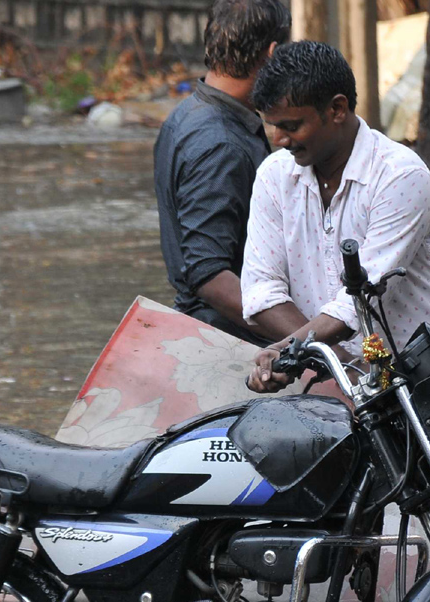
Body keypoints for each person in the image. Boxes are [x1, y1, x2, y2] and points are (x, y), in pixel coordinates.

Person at [242, 41, 430, 391]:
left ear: (337, 109)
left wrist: (290, 348)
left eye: (290, 126)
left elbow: (359, 300)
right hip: (342, 383)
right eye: (271, 126)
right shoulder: (275, 177)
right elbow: (261, 293)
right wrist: (324, 358)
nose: (278, 139)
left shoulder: (400, 176)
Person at [153, 0, 291, 344]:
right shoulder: (221, 144)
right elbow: (210, 275)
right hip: (232, 338)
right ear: (272, 53)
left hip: (210, 327)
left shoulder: (186, 113)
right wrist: (306, 339)